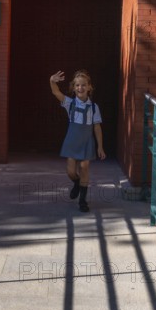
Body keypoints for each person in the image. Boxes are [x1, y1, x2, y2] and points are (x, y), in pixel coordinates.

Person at [49, 69, 106, 212]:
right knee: (70, 171)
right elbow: (56, 93)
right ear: (74, 88)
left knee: (85, 168)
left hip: (87, 140)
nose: (80, 88)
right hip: (72, 139)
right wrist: (52, 80)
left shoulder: (94, 107)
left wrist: (100, 147)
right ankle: (76, 183)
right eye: (77, 85)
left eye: (83, 85)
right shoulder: (70, 103)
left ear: (89, 87)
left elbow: (97, 127)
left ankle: (82, 200)